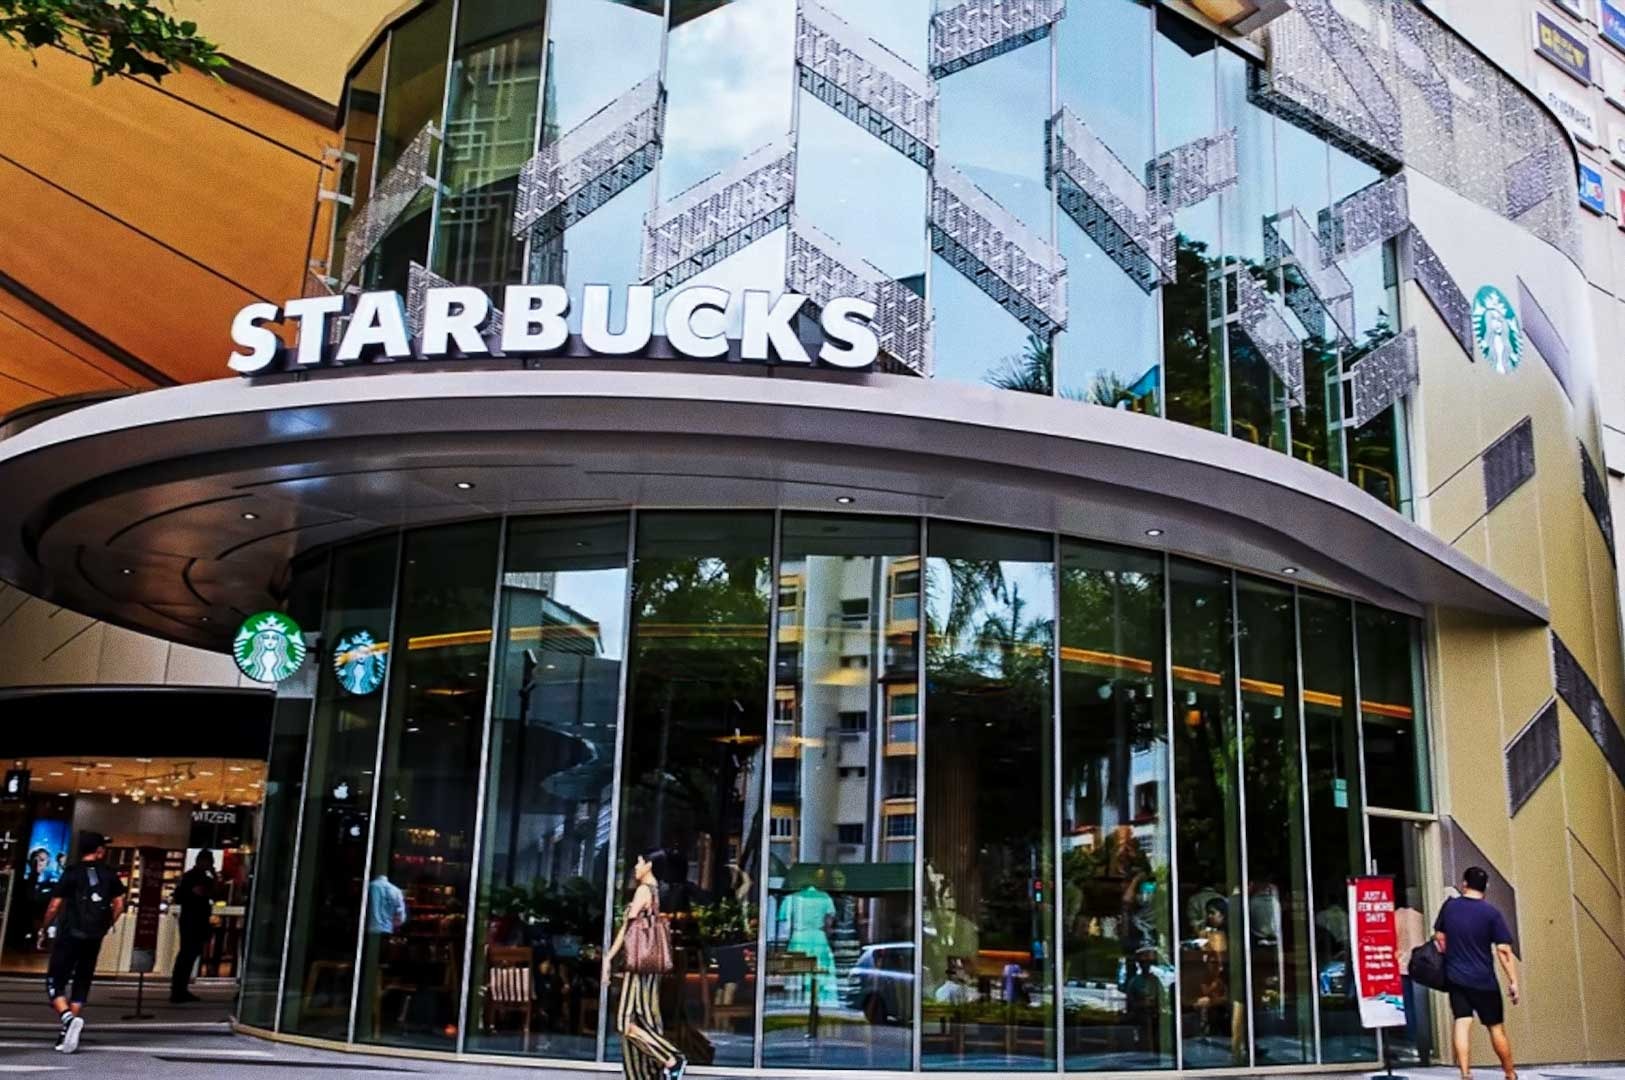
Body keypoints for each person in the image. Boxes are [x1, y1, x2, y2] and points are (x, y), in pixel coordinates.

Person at [39, 832, 125, 1054]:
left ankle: (67, 1019)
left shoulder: (71, 872)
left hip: (70, 934)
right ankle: (66, 1032)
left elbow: (54, 905)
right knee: (82, 982)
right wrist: (106, 925)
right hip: (94, 937)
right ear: (98, 851)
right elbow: (119, 904)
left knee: (54, 981)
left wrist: (43, 928)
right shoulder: (109, 874)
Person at [603, 850, 686, 1080]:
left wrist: (609, 958)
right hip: (648, 967)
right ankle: (647, 1073)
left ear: (649, 865)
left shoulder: (643, 891)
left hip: (637, 966)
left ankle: (671, 1058)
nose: (635, 867)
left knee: (624, 1021)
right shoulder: (657, 890)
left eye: (639, 862)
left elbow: (626, 929)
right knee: (645, 1022)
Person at [1434, 866, 1519, 1080]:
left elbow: (1439, 936)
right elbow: (1503, 949)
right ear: (1486, 887)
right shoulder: (1491, 913)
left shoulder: (1450, 907)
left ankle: (1465, 1073)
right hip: (1484, 980)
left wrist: (1449, 954)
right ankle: (1509, 1074)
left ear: (1464, 883)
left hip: (1456, 976)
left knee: (1462, 1022)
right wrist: (1513, 981)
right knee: (1495, 1028)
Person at [170, 850, 216, 1003]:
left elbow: (214, 891)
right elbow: (181, 896)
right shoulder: (191, 877)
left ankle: (180, 988)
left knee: (190, 954)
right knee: (187, 954)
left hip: (197, 919)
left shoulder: (203, 877)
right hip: (191, 919)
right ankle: (178, 989)